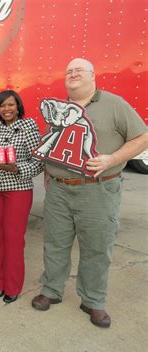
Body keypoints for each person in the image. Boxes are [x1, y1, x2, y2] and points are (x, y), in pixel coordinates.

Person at [32, 58, 148, 328]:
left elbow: (142, 137)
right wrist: (50, 171)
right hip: (60, 191)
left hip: (98, 189)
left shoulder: (114, 104)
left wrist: (111, 159)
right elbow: (53, 146)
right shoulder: (60, 109)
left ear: (93, 76)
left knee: (97, 248)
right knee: (55, 244)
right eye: (68, 71)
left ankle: (93, 300)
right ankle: (51, 290)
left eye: (78, 71)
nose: (72, 74)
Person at [0, 90, 43, 304]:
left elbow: (39, 162)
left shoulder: (28, 128)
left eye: (10, 105)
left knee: (14, 240)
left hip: (18, 189)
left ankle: (13, 286)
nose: (7, 109)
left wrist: (15, 168)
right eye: (2, 106)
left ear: (18, 106)